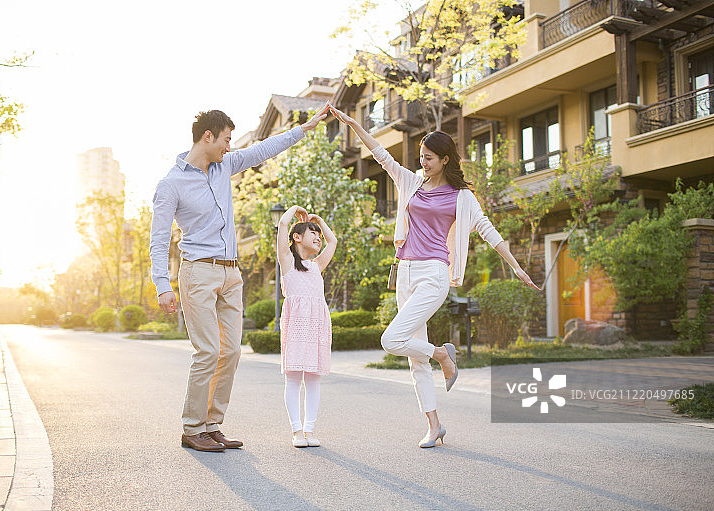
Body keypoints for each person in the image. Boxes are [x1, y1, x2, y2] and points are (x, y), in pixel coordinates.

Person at [330, 105, 539, 448]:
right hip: (405, 272)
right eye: (421, 156)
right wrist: (354, 124)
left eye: (429, 158)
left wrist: (516, 266)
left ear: (444, 159)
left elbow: (487, 230)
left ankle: (442, 354)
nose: (423, 162)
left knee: (391, 340)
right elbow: (381, 155)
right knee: (415, 359)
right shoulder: (411, 182)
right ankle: (434, 425)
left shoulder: (462, 197)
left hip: (434, 273)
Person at [150, 106, 328, 453]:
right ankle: (192, 428)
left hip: (231, 272)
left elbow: (263, 149)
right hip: (198, 271)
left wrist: (303, 129)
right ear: (208, 136)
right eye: (226, 139)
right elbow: (158, 239)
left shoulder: (224, 166)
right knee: (208, 351)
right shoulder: (171, 184)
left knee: (231, 352)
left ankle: (212, 424)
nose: (229, 147)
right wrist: (162, 285)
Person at [275, 206, 337, 448]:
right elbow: (282, 225)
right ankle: (297, 431)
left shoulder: (316, 266)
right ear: (297, 237)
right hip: (296, 326)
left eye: (318, 235)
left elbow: (333, 241)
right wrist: (295, 210)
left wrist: (319, 221)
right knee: (293, 379)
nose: (318, 238)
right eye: (313, 233)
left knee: (313, 379)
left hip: (317, 325)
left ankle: (309, 429)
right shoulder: (287, 261)